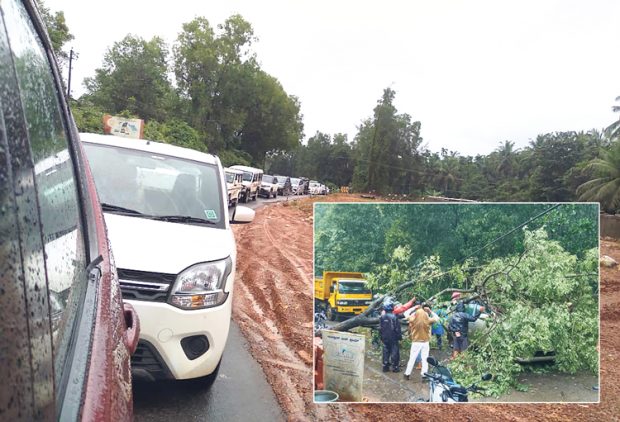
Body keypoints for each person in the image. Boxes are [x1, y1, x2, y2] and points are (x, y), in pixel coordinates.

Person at [403, 305, 439, 380]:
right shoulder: (428, 320)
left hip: (416, 342)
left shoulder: (413, 319)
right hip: (425, 342)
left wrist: (414, 308)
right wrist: (430, 311)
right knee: (425, 359)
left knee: (412, 358)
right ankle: (424, 375)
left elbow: (405, 313)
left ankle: (407, 374)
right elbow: (437, 318)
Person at [379, 302, 402, 372]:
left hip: (385, 337)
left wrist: (381, 337)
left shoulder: (382, 317)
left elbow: (380, 328)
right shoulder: (394, 317)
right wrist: (399, 337)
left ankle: (385, 367)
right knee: (394, 352)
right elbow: (397, 328)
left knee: (385, 352)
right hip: (393, 337)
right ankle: (395, 367)